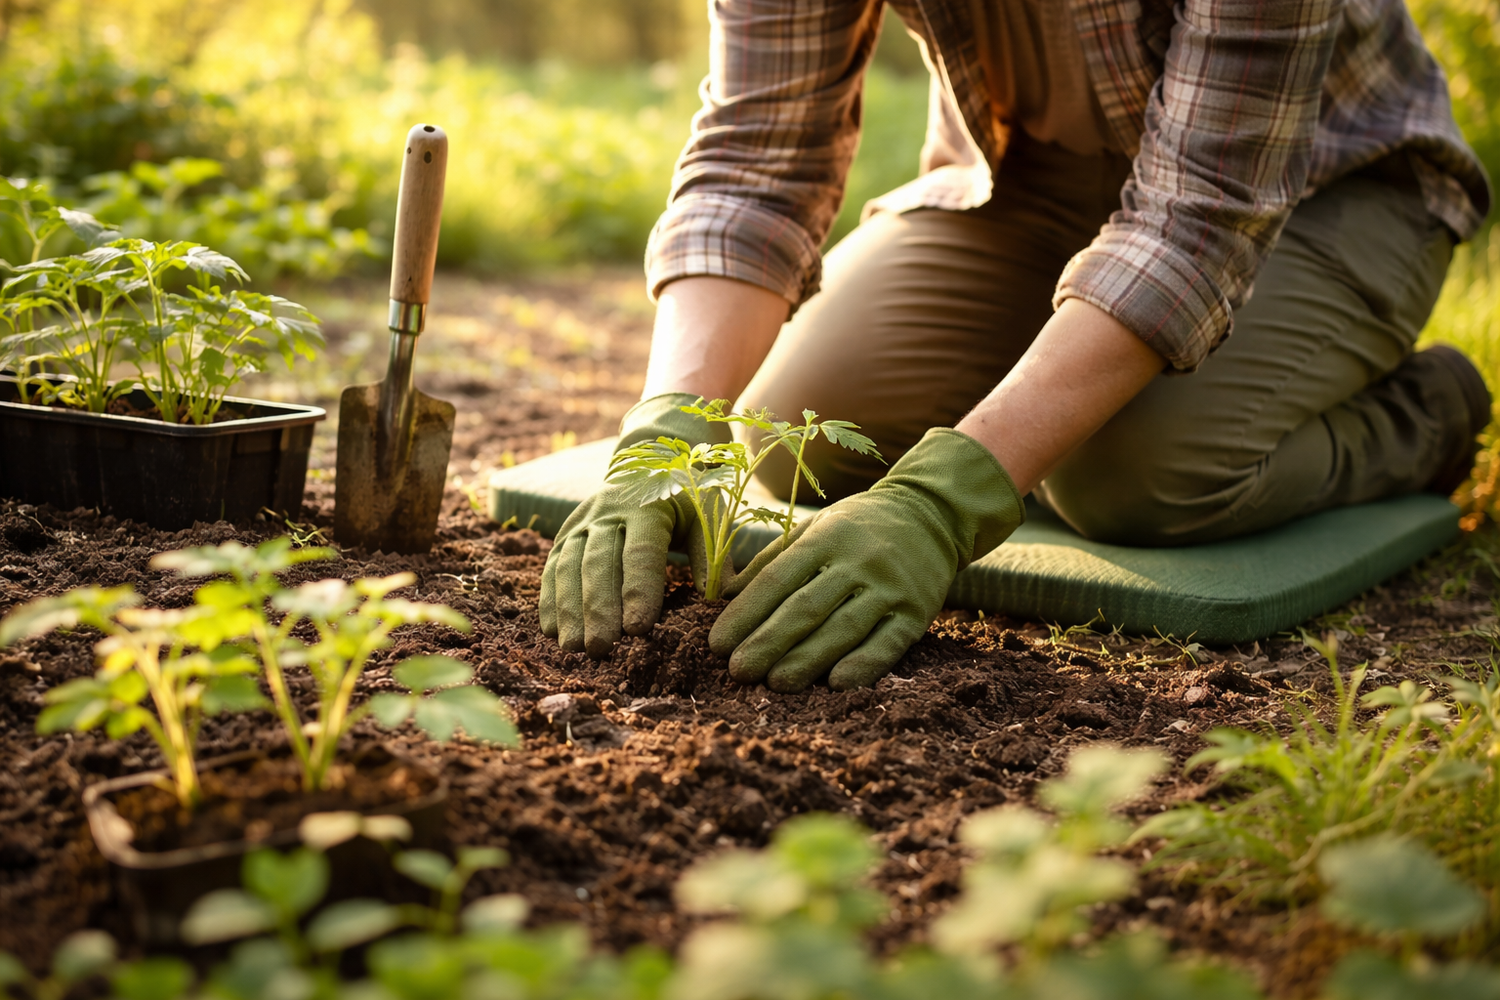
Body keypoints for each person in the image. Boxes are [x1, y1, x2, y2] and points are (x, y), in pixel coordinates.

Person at [540, 0, 1492, 693]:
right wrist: (669, 429)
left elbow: (1198, 218)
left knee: (1132, 478)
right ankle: (1069, 374)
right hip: (1031, 175)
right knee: (806, 432)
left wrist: (945, 500)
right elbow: (757, 158)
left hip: (1328, 184)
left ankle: (1428, 413)